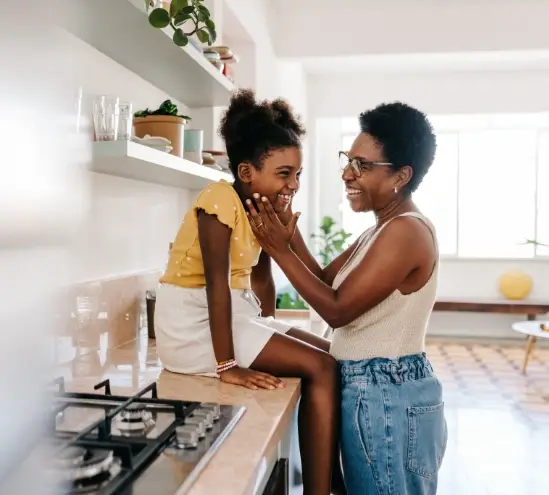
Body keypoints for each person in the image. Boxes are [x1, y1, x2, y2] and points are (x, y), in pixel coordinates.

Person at [247, 102, 447, 495]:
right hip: (377, 392)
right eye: (348, 160)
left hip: (388, 396)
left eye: (362, 165)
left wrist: (281, 251)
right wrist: (289, 237)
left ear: (400, 176)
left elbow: (337, 310)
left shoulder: (405, 232)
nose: (347, 174)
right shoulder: (382, 228)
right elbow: (325, 281)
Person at [154, 89, 340, 495]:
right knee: (323, 368)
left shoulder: (260, 207)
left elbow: (261, 278)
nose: (293, 184)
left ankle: (327, 479)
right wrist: (228, 367)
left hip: (234, 315)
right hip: (192, 325)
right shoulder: (217, 200)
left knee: (332, 355)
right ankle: (321, 490)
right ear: (245, 171)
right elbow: (217, 287)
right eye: (284, 173)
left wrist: (269, 326)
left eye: (297, 174)